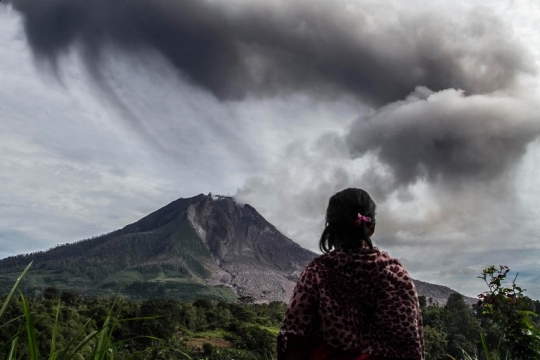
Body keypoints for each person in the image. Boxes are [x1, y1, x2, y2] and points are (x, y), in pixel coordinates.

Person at [277, 188, 424, 360]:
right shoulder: (397, 277)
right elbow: (412, 346)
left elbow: (294, 338)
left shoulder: (317, 272)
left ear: (331, 229)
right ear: (371, 228)